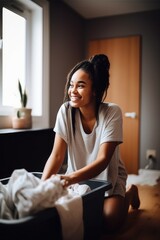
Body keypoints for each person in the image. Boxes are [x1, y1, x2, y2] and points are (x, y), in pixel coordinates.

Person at [42, 54, 140, 233]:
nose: (72, 90)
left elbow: (103, 160)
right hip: (77, 179)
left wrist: (68, 178)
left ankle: (130, 191)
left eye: (80, 85)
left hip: (107, 179)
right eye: (71, 85)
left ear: (95, 90)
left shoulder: (112, 112)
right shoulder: (65, 111)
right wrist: (41, 187)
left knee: (110, 222)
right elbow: (56, 156)